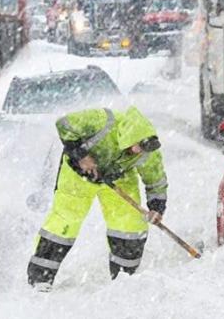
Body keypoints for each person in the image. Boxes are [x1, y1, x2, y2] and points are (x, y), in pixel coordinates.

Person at [27, 106, 168, 290]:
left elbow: (155, 179)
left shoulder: (147, 150)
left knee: (130, 224)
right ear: (128, 136)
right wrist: (81, 155)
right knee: (64, 222)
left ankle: (126, 279)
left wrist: (157, 206)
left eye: (142, 149)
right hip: (78, 174)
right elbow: (64, 124)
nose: (138, 151)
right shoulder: (103, 121)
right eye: (136, 146)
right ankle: (41, 278)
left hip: (118, 177)